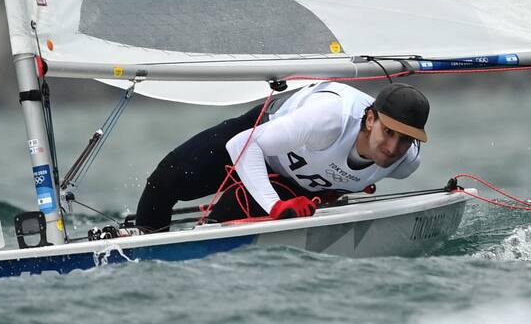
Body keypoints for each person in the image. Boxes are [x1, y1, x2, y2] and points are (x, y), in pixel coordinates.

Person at [134, 81, 428, 233]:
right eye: (388, 132)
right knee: (166, 181)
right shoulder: (329, 120)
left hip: (294, 188)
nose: (393, 147)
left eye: (405, 139)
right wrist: (275, 207)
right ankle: (141, 245)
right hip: (258, 137)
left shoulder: (406, 163)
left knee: (225, 217)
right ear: (368, 120)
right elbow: (242, 146)